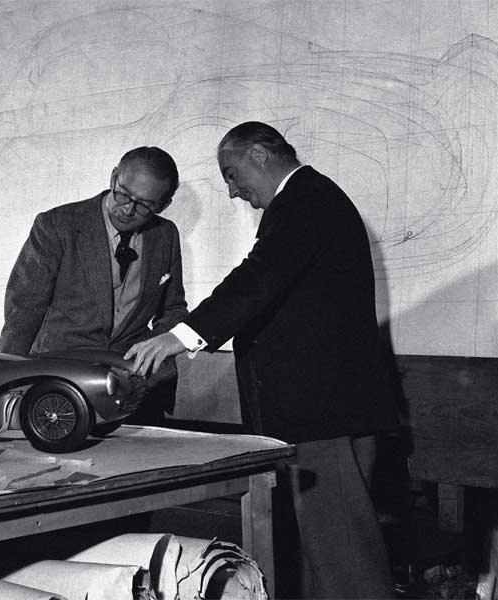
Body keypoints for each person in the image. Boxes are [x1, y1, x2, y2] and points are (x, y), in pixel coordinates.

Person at [125, 122, 399, 598]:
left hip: (323, 414)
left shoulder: (306, 199)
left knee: (344, 558)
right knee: (325, 557)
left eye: (232, 174)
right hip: (322, 411)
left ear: (258, 154)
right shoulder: (309, 201)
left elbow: (258, 278)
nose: (233, 191)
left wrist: (180, 337)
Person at [0, 146, 190, 425]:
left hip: (135, 386)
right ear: (114, 177)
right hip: (60, 382)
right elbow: (24, 309)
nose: (127, 209)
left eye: (144, 205)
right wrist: (4, 382)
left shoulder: (166, 235)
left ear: (163, 204)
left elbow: (172, 308)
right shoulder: (57, 224)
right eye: (123, 194)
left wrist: (155, 354)